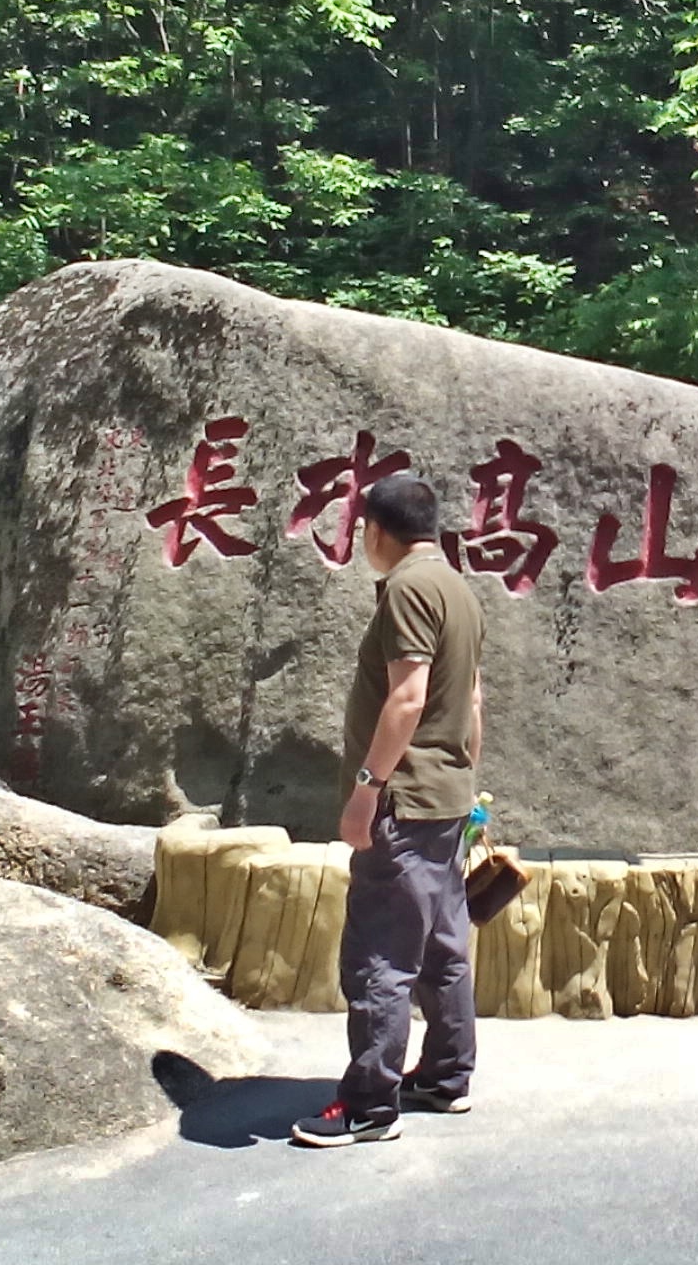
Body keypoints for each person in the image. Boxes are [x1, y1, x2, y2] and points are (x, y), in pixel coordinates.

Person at [291, 471, 486, 1148]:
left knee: (380, 953)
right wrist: (463, 779)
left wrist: (367, 789)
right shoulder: (459, 590)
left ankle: (371, 1104)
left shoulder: (407, 588)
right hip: (446, 796)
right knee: (442, 946)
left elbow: (408, 698)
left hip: (404, 799)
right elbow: (473, 703)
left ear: (377, 530)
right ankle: (446, 1074)